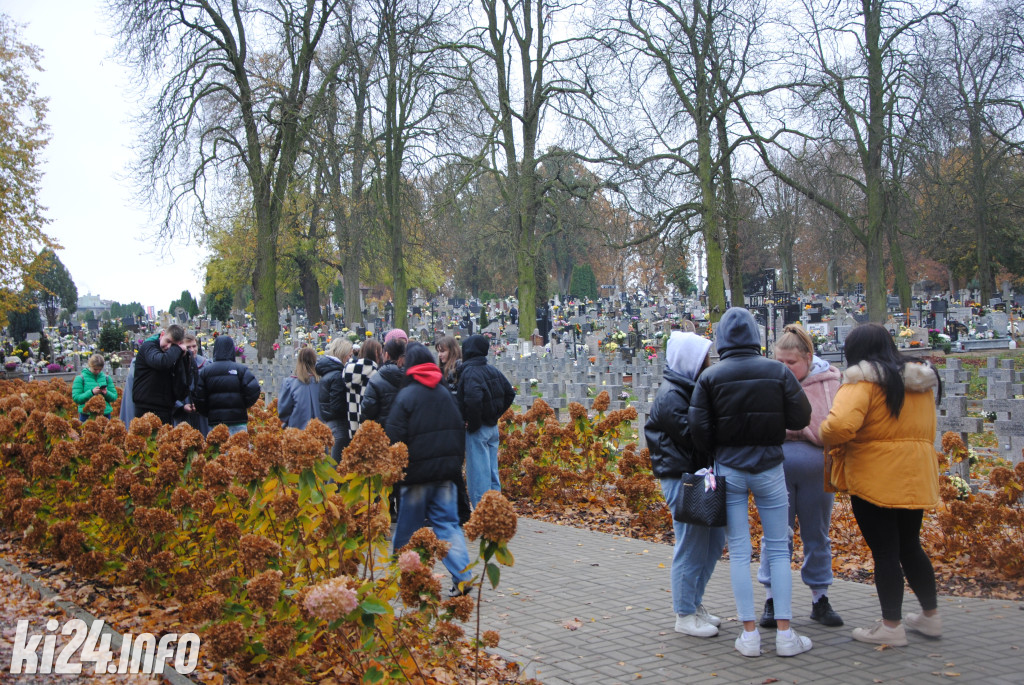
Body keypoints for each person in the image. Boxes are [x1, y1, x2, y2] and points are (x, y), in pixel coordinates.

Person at [688, 307, 813, 658]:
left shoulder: (711, 378)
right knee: (778, 547)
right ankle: (786, 635)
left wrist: (717, 449)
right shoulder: (776, 372)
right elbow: (802, 415)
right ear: (756, 337)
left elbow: (698, 428)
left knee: (740, 551)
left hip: (730, 467)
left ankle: (749, 635)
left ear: (722, 339)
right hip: (770, 466)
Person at [820, 323, 942, 646]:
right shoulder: (919, 381)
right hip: (915, 475)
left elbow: (839, 426)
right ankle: (930, 617)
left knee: (885, 551)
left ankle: (891, 625)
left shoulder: (863, 381)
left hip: (876, 477)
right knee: (910, 546)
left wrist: (822, 432)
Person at [758, 325, 844, 628]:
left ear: (808, 358)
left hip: (816, 474)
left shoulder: (829, 382)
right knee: (776, 535)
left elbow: (830, 426)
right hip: (776, 471)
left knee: (816, 535)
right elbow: (763, 425)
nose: (784, 369)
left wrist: (799, 430)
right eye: (779, 363)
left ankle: (820, 597)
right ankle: (772, 599)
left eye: (791, 363)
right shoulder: (770, 382)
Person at [645, 332, 723, 637]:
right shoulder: (672, 396)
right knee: (691, 545)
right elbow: (695, 438)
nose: (709, 363)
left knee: (713, 542)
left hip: (698, 476)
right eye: (704, 358)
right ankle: (684, 613)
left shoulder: (688, 390)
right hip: (681, 478)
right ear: (691, 361)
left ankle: (694, 602)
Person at [385, 342, 472, 596]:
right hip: (444, 476)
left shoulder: (406, 396)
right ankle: (464, 576)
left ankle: (403, 576)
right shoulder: (444, 393)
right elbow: (458, 431)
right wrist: (454, 465)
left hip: (415, 478)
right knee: (448, 526)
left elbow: (394, 437)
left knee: (406, 532)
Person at [456, 334, 515, 507]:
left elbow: (473, 400)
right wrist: (495, 415)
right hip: (491, 428)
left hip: (478, 429)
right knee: (491, 472)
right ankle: (496, 508)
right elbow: (509, 393)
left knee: (478, 474)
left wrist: (473, 423)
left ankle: (483, 514)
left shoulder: (470, 372)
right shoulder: (492, 370)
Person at [194, 335, 261, 434]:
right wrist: (242, 405)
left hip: (215, 421)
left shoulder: (206, 372)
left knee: (217, 448)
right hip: (237, 419)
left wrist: (208, 412)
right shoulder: (240, 370)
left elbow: (199, 397)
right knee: (237, 447)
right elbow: (254, 390)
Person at [133, 325, 189, 424]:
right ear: (162, 334)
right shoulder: (149, 346)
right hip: (145, 407)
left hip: (165, 408)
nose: (168, 347)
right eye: (167, 341)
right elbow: (161, 362)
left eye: (173, 345)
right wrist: (177, 349)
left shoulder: (173, 352)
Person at [316, 338, 354, 461]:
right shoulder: (337, 375)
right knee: (336, 469)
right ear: (343, 355)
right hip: (339, 426)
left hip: (330, 423)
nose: (350, 359)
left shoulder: (328, 373)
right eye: (349, 355)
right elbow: (337, 406)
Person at [360, 333, 407, 429]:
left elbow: (367, 411)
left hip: (383, 434)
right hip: (407, 433)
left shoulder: (376, 379)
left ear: (386, 355)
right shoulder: (413, 378)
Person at [343, 338, 381, 442]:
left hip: (353, 425)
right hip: (369, 428)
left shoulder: (349, 371)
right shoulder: (374, 374)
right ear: (376, 353)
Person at [278, 347, 323, 429]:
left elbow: (283, 411)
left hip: (297, 431)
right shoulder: (321, 382)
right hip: (319, 430)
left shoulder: (290, 383)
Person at [173, 334, 209, 435]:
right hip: (183, 416)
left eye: (194, 346)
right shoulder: (174, 365)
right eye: (188, 347)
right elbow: (168, 392)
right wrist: (181, 406)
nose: (192, 350)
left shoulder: (206, 365)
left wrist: (201, 403)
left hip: (202, 415)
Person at [72, 353, 118, 421]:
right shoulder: (80, 378)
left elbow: (114, 397)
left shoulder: (107, 378)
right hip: (87, 416)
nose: (97, 371)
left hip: (105, 415)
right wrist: (92, 392)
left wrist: (106, 393)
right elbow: (76, 398)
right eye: (95, 369)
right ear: (90, 365)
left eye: (100, 369)